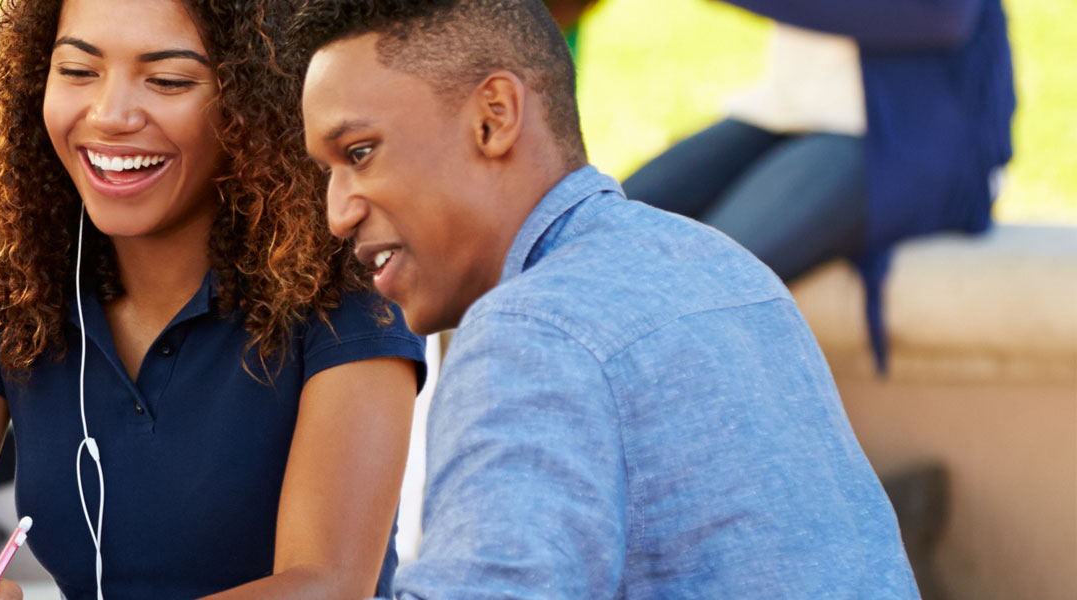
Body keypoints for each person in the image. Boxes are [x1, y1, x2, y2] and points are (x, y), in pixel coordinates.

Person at [288, 0, 916, 596]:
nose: (336, 213)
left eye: (360, 153)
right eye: (327, 173)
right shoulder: (727, 268)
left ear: (494, 117)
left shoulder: (531, 332)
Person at [0, 0, 428, 597]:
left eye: (168, 80)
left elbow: (326, 584)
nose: (110, 114)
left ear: (259, 100)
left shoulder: (347, 273)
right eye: (76, 71)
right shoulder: (14, 260)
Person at [619, 0, 1014, 368]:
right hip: (788, 112)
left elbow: (942, 15)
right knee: (596, 234)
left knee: (699, 282)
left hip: (909, 138)